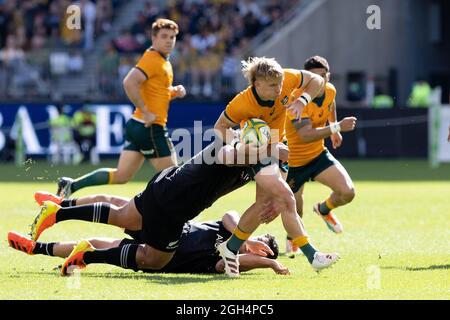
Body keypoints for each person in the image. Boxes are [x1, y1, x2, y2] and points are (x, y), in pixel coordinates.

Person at [23, 140, 293, 276]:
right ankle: (85, 254)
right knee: (154, 259)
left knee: (119, 213)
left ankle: (57, 215)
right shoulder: (241, 154)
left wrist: (274, 200)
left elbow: (226, 262)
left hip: (165, 188)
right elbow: (231, 215)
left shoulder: (257, 169)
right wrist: (265, 259)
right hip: (174, 208)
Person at [213, 57, 339, 277]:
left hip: (279, 146)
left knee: (265, 205)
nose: (279, 89)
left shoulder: (287, 78)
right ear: (257, 85)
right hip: (258, 151)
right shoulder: (242, 103)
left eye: (280, 84)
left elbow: (317, 82)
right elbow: (220, 127)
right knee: (287, 198)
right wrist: (239, 137)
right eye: (273, 86)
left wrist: (302, 100)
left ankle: (230, 248)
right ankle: (313, 255)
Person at [56, 18, 186, 198]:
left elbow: (156, 91)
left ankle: (71, 185)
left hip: (136, 125)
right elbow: (129, 82)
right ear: (153, 38)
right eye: (164, 36)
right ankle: (163, 215)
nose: (169, 40)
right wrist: (146, 111)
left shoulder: (164, 61)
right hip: (150, 127)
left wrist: (173, 92)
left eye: (172, 37)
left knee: (121, 175)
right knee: (173, 176)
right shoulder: (153, 59)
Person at [9, 193, 288, 275]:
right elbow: (230, 215)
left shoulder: (226, 263)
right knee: (115, 204)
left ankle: (37, 247)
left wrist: (271, 264)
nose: (256, 245)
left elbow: (223, 265)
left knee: (94, 244)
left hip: (159, 252)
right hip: (164, 226)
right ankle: (59, 207)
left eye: (262, 246)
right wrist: (246, 237)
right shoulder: (231, 230)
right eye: (260, 241)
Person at [284, 56, 357, 257]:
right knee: (295, 211)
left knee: (347, 192)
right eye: (315, 78)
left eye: (323, 77)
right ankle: (293, 239)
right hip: (293, 162)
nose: (320, 82)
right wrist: (336, 127)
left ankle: (324, 209)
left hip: (317, 156)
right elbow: (305, 135)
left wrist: (333, 130)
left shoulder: (330, 89)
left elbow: (330, 104)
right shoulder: (296, 99)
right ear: (307, 79)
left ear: (328, 76)